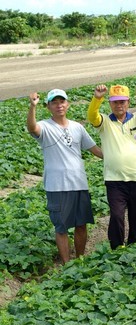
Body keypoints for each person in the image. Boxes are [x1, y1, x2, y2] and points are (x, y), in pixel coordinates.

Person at [27, 89, 103, 264]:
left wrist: (116, 157)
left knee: (81, 224)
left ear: (67, 104)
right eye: (54, 102)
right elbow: (32, 127)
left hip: (79, 183)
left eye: (62, 101)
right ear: (48, 106)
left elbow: (95, 150)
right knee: (61, 227)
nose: (59, 105)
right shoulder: (45, 127)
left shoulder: (77, 127)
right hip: (57, 186)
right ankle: (67, 263)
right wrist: (32, 107)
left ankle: (80, 259)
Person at [87, 80, 136, 250]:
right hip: (115, 180)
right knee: (117, 215)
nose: (119, 105)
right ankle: (117, 248)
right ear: (110, 103)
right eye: (115, 102)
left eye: (122, 101)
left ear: (128, 102)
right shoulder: (105, 122)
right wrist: (97, 99)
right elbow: (92, 116)